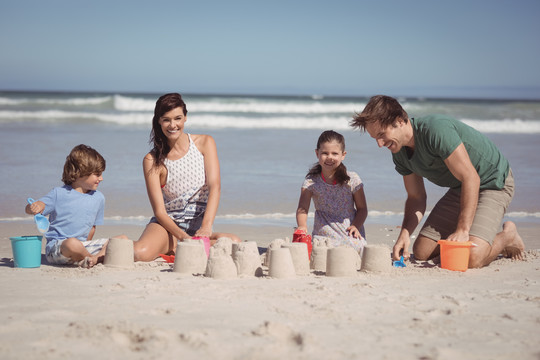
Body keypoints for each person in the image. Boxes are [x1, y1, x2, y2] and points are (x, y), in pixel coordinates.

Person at [350, 95, 524, 268]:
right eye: (375, 139)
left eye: (382, 135)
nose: (380, 144)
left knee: (471, 258)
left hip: (492, 182)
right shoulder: (399, 153)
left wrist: (462, 231)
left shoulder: (436, 130)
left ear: (399, 121)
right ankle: (474, 233)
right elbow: (416, 197)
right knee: (422, 252)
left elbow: (471, 177)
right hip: (460, 187)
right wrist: (404, 234)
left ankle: (508, 236)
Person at [134, 93, 240, 262]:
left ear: (185, 118)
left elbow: (215, 186)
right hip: (167, 227)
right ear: (159, 121)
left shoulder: (205, 143)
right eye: (166, 119)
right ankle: (173, 245)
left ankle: (176, 247)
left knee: (234, 243)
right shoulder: (151, 160)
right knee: (141, 253)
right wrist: (184, 238)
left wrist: (206, 227)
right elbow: (160, 212)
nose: (173, 125)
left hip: (198, 226)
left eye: (177, 118)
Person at [25, 144, 127, 268]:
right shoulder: (59, 193)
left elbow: (92, 228)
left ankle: (90, 259)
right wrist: (34, 206)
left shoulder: (98, 198)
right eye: (97, 174)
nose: (101, 178)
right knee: (72, 244)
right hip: (58, 249)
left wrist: (84, 248)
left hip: (82, 247)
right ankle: (90, 259)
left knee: (122, 239)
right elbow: (34, 209)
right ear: (80, 172)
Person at [296, 130, 368, 254]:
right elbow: (303, 208)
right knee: (321, 250)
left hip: (349, 227)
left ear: (343, 155)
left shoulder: (352, 179)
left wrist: (356, 225)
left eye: (335, 153)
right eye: (324, 153)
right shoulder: (311, 182)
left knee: (356, 248)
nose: (329, 157)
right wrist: (302, 226)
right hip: (324, 228)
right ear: (317, 153)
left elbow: (362, 209)